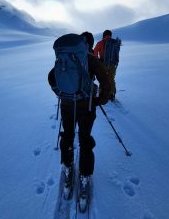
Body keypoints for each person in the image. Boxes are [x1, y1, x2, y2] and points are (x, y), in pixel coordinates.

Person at [48, 31, 111, 199]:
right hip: (86, 106)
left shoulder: (67, 57)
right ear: (89, 45)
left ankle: (67, 167)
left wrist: (60, 93)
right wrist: (100, 100)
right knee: (85, 139)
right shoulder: (90, 59)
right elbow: (106, 81)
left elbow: (51, 77)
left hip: (67, 105)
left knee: (68, 135)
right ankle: (84, 175)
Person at [94, 29, 120, 101]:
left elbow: (95, 51)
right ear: (110, 35)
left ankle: (102, 93)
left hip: (103, 64)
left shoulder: (101, 43)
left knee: (103, 78)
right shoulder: (114, 43)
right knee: (111, 78)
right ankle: (112, 94)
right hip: (113, 65)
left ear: (103, 35)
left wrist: (97, 60)